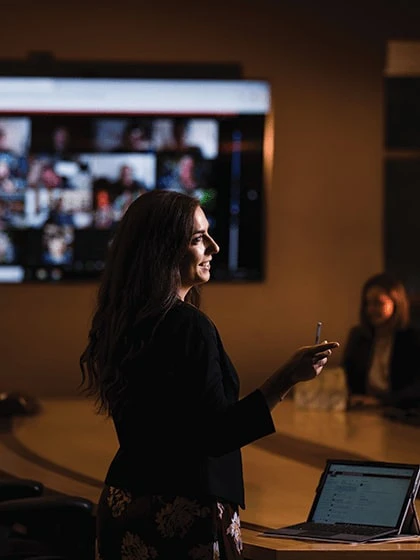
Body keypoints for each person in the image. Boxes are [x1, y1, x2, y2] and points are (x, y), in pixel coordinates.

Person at [79, 190, 339, 560]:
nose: (214, 248)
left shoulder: (121, 321)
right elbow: (217, 434)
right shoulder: (188, 326)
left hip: (125, 504)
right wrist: (286, 379)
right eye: (199, 239)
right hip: (182, 516)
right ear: (162, 249)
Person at [342, 272, 420, 408]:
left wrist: (382, 401)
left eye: (378, 303)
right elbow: (347, 376)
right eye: (368, 303)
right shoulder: (359, 336)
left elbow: (416, 388)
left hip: (401, 412)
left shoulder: (412, 338)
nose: (371, 309)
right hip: (363, 411)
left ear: (396, 303)